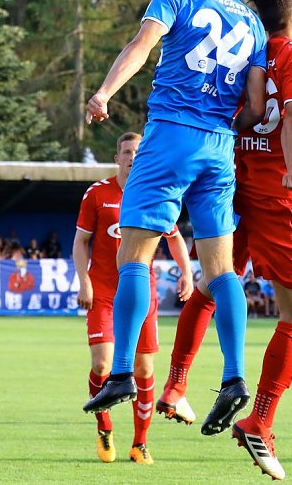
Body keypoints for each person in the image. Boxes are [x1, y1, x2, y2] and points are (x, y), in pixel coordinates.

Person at [83, 0, 268, 430]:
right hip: (219, 146)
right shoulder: (253, 24)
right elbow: (253, 106)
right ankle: (233, 378)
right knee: (221, 269)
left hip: (168, 138)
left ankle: (122, 372)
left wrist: (103, 93)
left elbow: (141, 45)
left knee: (134, 257)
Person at [155, 0, 292, 480]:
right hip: (279, 196)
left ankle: (177, 385)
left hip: (234, 183)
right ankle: (261, 421)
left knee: (214, 283)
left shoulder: (244, 48)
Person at [73, 132, 194, 464]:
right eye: (126, 151)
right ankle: (105, 428)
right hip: (104, 294)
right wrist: (83, 281)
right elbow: (81, 241)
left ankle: (140, 443)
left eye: (138, 151)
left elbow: (175, 238)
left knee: (143, 369)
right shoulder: (98, 194)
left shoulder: (155, 193)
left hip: (143, 294)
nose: (132, 156)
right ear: (117, 158)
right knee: (102, 364)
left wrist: (186, 271)